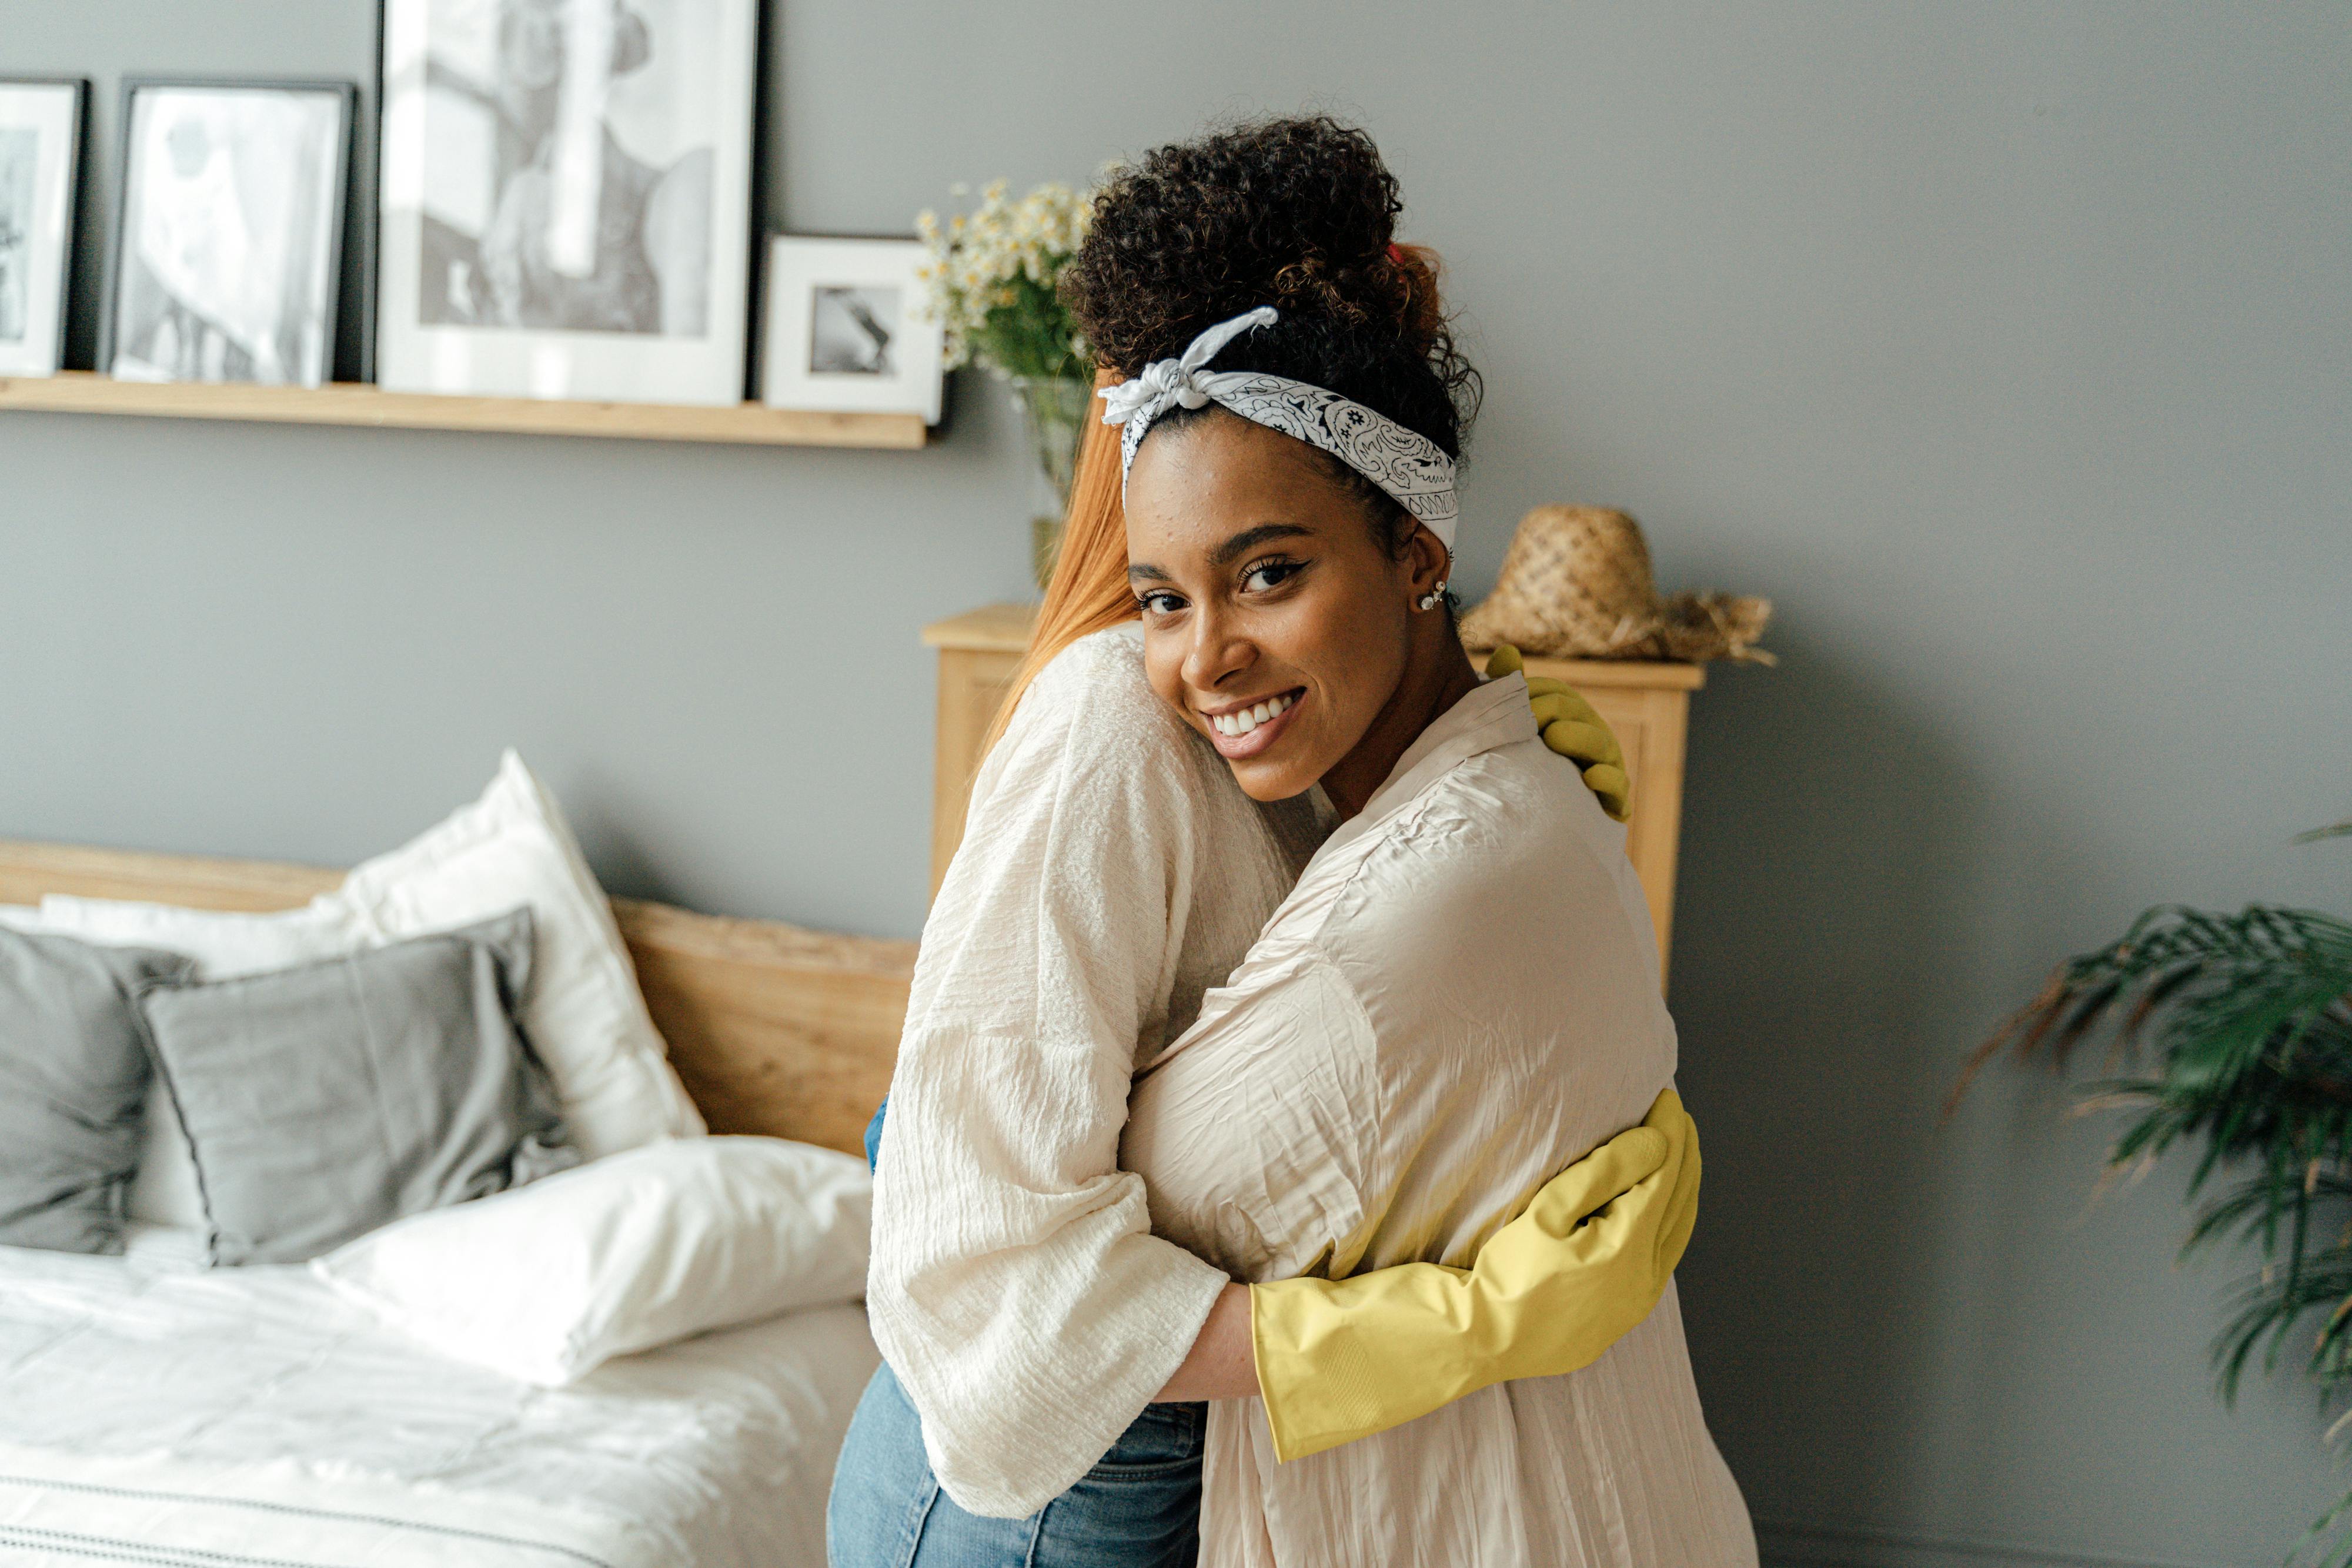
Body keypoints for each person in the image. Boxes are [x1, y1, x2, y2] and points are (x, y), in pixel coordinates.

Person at [831, 118, 1734, 1567]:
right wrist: (1463, 1318)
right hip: (1050, 1486)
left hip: (1198, 1458)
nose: (1204, 655)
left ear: (1415, 546)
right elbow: (1002, 1271)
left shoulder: (1344, 744)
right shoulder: (1107, 725)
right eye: (1166, 595)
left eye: (1266, 571)